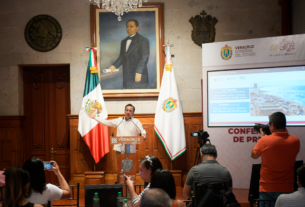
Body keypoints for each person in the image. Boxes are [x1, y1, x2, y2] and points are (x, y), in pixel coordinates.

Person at [251, 112, 300, 207]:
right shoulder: (295, 140)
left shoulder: (264, 140)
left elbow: (254, 155)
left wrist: (261, 139)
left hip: (267, 188)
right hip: (288, 188)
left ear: (272, 125)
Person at [108, 19, 150, 89]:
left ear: (137, 28)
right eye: (127, 27)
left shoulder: (143, 40)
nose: (129, 29)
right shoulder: (123, 42)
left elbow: (144, 58)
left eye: (131, 26)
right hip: (127, 78)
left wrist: (139, 72)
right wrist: (114, 66)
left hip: (138, 77)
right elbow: (122, 57)